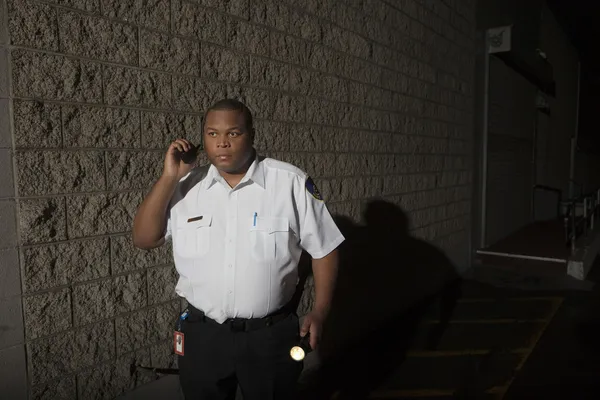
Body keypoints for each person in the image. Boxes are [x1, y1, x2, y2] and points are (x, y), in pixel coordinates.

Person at [132, 98, 344, 400]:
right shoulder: (186, 187)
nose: (222, 143)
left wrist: (321, 311)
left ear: (252, 134)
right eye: (212, 133)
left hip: (270, 336)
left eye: (233, 133)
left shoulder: (289, 183)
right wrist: (169, 177)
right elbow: (144, 238)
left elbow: (325, 249)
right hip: (202, 337)